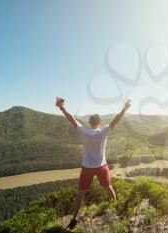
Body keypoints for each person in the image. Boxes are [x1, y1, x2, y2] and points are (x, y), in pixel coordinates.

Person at [55, 97, 131, 229]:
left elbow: (71, 119)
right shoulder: (103, 131)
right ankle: (116, 209)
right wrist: (124, 109)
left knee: (81, 193)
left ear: (89, 123)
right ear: (100, 122)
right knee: (108, 188)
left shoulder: (83, 131)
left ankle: (74, 219)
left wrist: (62, 107)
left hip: (87, 167)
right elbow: (116, 120)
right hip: (102, 166)